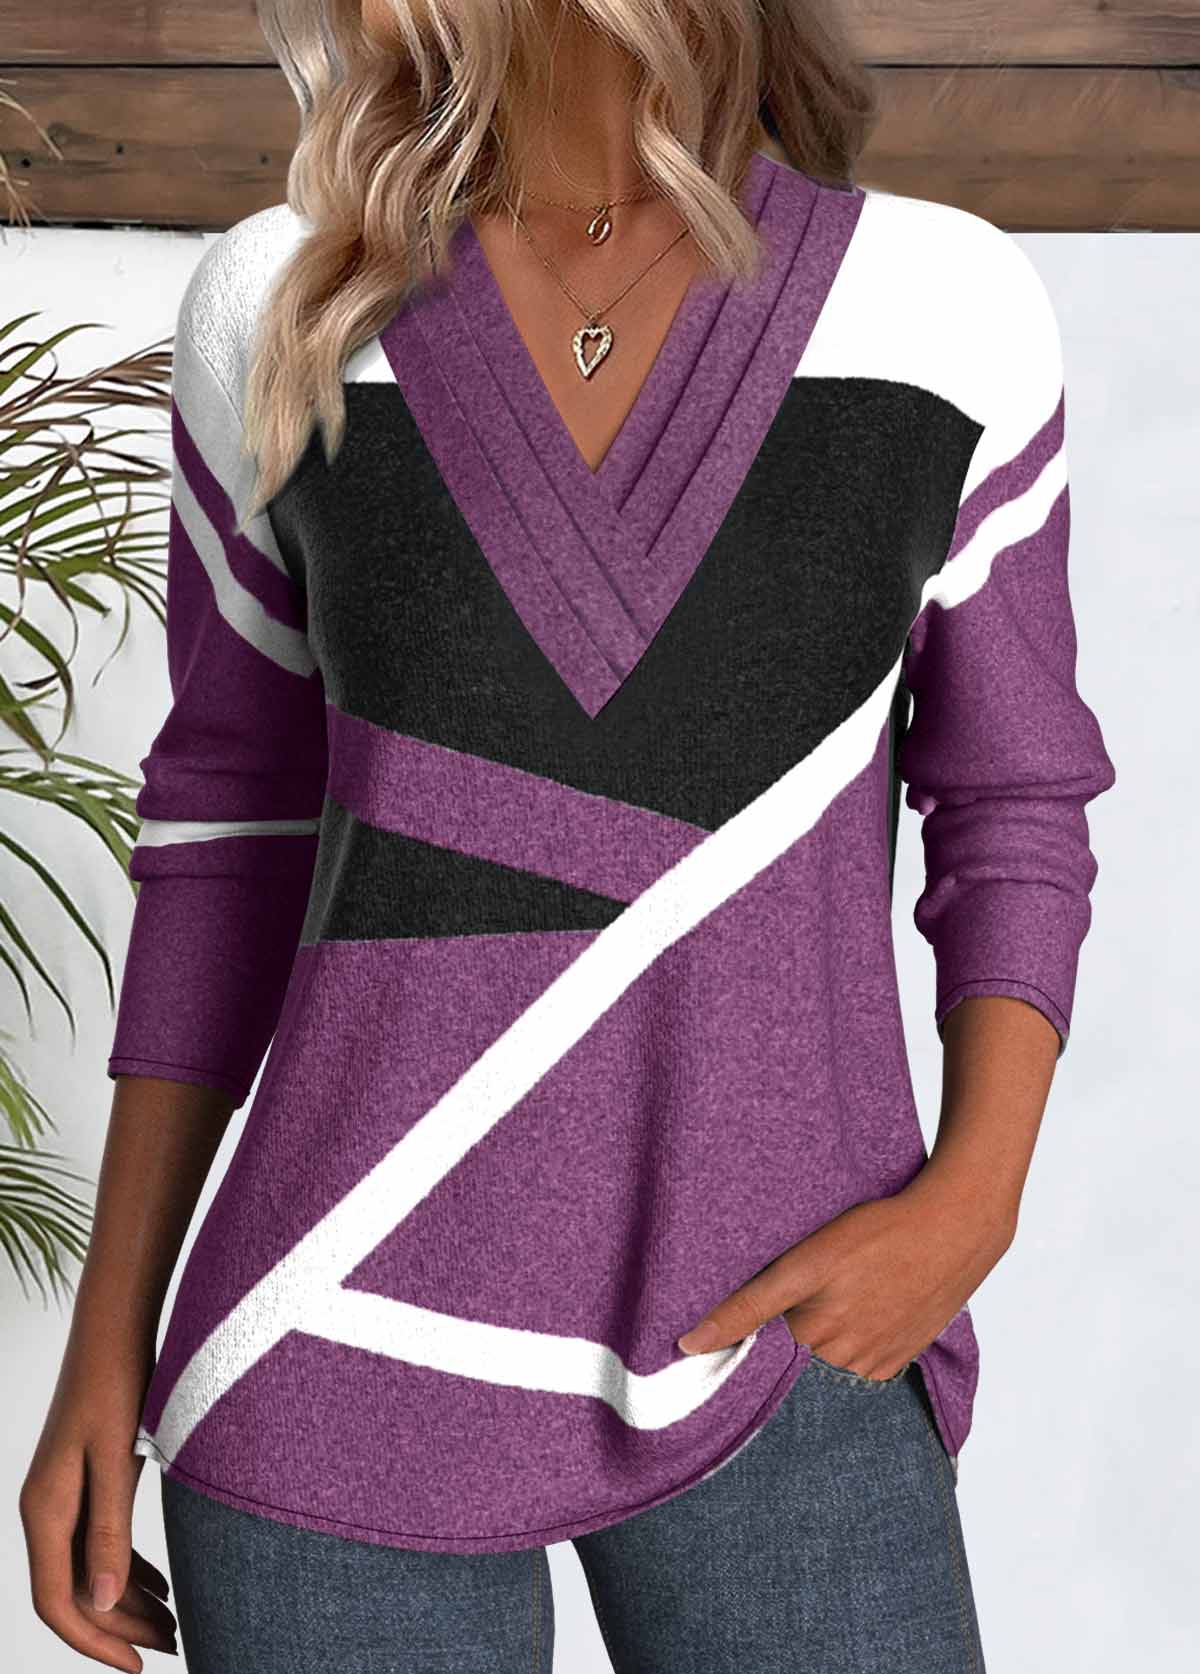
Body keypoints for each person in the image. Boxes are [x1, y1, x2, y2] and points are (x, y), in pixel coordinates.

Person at [19, 2, 1117, 1670]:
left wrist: (978, 1197)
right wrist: (108, 1343)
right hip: (330, 1345)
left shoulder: (940, 308)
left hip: (787, 1329)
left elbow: (1012, 795)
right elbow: (229, 831)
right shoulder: (282, 299)